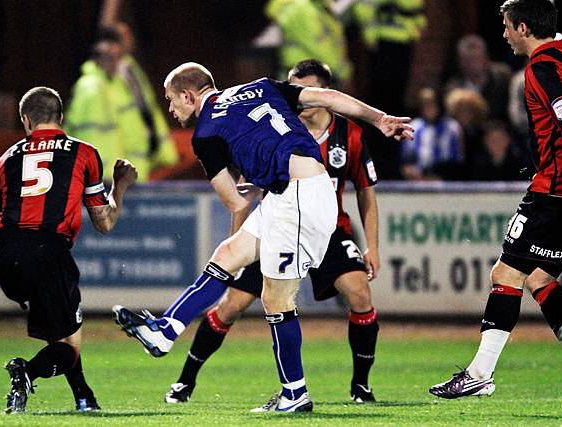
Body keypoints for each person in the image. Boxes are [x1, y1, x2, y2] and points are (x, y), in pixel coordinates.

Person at [112, 62, 413, 413]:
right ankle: (165, 330)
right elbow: (328, 97)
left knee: (277, 299)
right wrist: (380, 119)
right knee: (227, 254)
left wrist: (252, 182)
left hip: (296, 199)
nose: (170, 108)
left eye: (170, 100)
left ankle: (295, 393)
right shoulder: (259, 87)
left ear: (187, 95)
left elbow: (235, 200)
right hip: (299, 191)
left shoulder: (206, 134)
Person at [429, 0, 562, 411]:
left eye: (506, 26)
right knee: (540, 279)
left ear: (523, 27)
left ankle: (480, 375)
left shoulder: (540, 68)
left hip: (560, 191)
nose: (503, 34)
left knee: (505, 273)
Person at [0, 86, 137, 413]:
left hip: (4, 254)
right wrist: (120, 185)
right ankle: (27, 371)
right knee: (70, 347)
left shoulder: (6, 157)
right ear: (61, 118)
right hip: (47, 252)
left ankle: (85, 398)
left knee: (62, 329)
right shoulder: (83, 153)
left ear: (26, 121)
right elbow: (104, 223)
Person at [65, 27, 178, 182]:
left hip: (118, 174)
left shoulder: (121, 83)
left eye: (116, 57)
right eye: (108, 57)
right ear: (97, 59)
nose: (113, 62)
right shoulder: (91, 87)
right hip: (99, 177)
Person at [400, 87, 464, 181]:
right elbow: (406, 159)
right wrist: (413, 173)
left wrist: (440, 177)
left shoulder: (452, 127)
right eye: (425, 105)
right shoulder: (413, 127)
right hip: (418, 181)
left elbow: (457, 160)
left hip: (445, 181)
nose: (429, 109)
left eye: (432, 105)